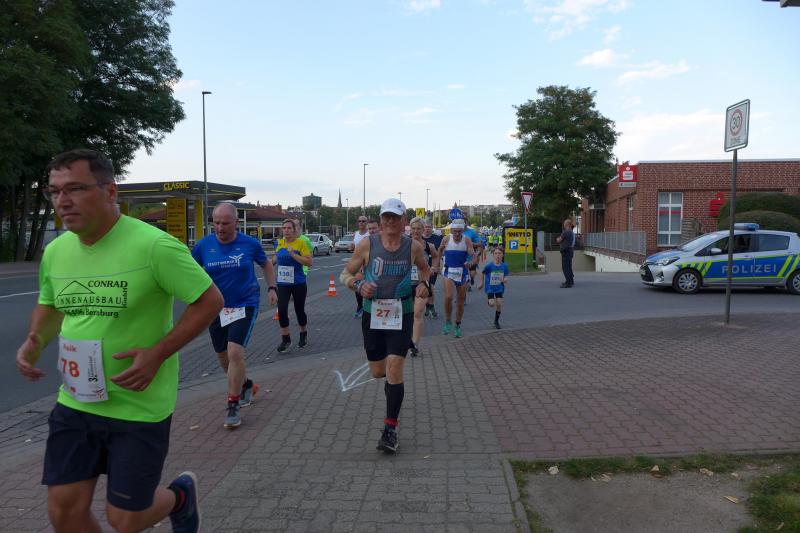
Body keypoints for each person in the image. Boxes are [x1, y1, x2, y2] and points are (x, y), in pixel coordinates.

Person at [15, 149, 223, 533]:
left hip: (137, 406)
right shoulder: (56, 251)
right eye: (55, 191)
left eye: (75, 189)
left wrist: (158, 353)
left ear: (110, 191)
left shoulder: (155, 246)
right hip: (76, 400)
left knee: (126, 520)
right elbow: (51, 303)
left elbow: (209, 300)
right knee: (64, 512)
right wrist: (35, 339)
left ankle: (180, 497)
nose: (62, 201)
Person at [339, 198, 430, 453]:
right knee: (378, 371)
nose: (390, 221)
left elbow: (426, 269)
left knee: (394, 368)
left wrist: (425, 284)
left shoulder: (413, 247)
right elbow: (345, 274)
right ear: (380, 221)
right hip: (373, 315)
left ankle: (390, 429)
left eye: (395, 217)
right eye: (386, 217)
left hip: (402, 312)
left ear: (403, 221)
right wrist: (358, 285)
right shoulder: (368, 244)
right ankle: (391, 391)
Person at [191, 202, 277, 430]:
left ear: (236, 223)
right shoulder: (203, 246)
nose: (220, 228)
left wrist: (272, 288)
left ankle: (233, 404)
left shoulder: (249, 244)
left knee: (235, 352)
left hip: (244, 303)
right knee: (223, 358)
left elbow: (266, 264)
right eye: (216, 223)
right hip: (215, 307)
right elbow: (190, 270)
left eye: (225, 223)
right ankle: (245, 385)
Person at [274, 219, 313, 352]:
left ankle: (303, 334)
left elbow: (309, 262)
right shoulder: (279, 243)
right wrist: (269, 262)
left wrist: (292, 254)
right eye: (284, 228)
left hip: (298, 282)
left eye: (289, 228)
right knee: (281, 309)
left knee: (299, 310)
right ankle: (286, 339)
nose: (286, 230)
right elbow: (275, 258)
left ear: (294, 230)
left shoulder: (301, 243)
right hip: (283, 283)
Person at [438, 219, 477, 338]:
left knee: (460, 302)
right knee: (449, 297)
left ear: (463, 230)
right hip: (449, 271)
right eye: (455, 231)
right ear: (451, 230)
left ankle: (457, 325)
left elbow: (473, 255)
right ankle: (448, 321)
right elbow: (439, 252)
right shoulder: (446, 239)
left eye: (459, 231)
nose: (457, 234)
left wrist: (471, 263)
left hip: (462, 272)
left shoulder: (466, 240)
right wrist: (438, 264)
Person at [408, 217, 438, 357]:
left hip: (422, 283)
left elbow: (436, 256)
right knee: (407, 315)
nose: (415, 231)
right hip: (406, 284)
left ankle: (415, 344)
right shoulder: (404, 244)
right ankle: (407, 339)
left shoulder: (428, 246)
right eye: (413, 228)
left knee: (418, 313)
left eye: (418, 228)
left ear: (422, 229)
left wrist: (434, 267)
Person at [477, 247, 510, 329]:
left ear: (502, 255)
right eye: (496, 253)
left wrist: (505, 279)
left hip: (499, 287)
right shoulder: (489, 266)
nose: (497, 255)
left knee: (499, 304)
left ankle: (496, 321)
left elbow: (505, 275)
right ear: (493, 255)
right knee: (492, 304)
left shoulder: (505, 266)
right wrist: (481, 283)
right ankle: (489, 301)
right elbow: (482, 273)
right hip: (490, 288)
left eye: (499, 253)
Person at [422, 220, 442, 318]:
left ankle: (432, 306)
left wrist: (438, 266)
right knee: (425, 287)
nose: (427, 229)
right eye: (426, 227)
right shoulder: (419, 238)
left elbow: (439, 254)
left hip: (433, 265)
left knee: (431, 287)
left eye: (429, 227)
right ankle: (427, 306)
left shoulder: (437, 238)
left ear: (432, 228)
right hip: (421, 266)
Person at [351, 215, 370, 318]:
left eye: (363, 221)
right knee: (357, 285)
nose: (361, 223)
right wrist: (352, 246)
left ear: (366, 222)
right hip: (358, 263)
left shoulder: (369, 233)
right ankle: (360, 306)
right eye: (359, 221)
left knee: (368, 285)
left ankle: (368, 307)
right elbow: (355, 247)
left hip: (368, 262)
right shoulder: (356, 233)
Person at [463, 219, 482, 291]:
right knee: (464, 272)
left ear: (467, 224)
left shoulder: (472, 232)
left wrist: (471, 244)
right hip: (462, 256)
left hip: (471, 256)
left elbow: (479, 243)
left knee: (472, 273)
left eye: (465, 223)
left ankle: (472, 278)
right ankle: (467, 285)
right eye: (462, 222)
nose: (463, 224)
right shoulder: (457, 232)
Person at [556, 219, 576, 288]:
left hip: (565, 251)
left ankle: (568, 283)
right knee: (569, 266)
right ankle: (571, 281)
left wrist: (557, 239)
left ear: (567, 224)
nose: (564, 225)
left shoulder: (565, 232)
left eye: (564, 224)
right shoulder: (571, 233)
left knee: (565, 267)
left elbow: (559, 240)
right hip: (570, 250)